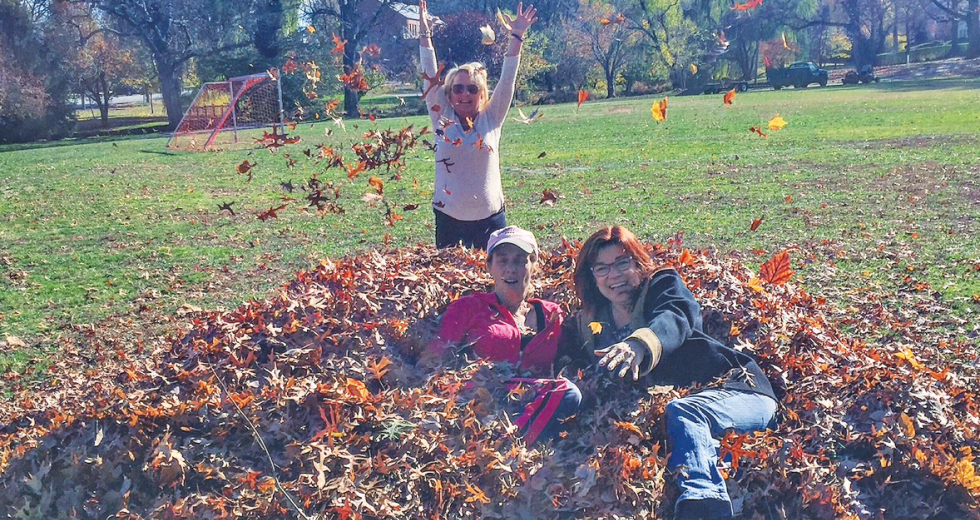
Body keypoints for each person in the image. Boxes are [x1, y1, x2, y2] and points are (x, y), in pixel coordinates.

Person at [557, 226, 778, 520]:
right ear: (592, 276)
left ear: (638, 263)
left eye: (623, 263)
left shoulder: (662, 286)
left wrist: (640, 344)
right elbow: (558, 354)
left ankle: (704, 504)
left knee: (685, 412)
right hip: (694, 428)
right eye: (602, 268)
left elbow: (677, 315)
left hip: (740, 395)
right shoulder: (591, 324)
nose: (615, 275)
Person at [422, 226, 580, 444]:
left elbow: (572, 357)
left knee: (569, 393)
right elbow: (432, 359)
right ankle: (509, 446)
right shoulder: (470, 307)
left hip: (534, 402)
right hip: (483, 401)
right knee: (567, 391)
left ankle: (517, 447)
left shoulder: (552, 314)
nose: (511, 269)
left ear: (534, 264)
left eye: (519, 261)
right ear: (490, 267)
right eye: (502, 261)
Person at [418, 0, 538, 250]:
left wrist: (516, 36)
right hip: (448, 218)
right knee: (451, 282)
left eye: (472, 89)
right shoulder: (441, 115)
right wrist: (424, 33)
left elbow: (507, 81)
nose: (465, 94)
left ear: (482, 94)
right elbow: (429, 72)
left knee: (491, 281)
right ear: (449, 94)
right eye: (458, 88)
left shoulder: (491, 117)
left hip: (491, 219)